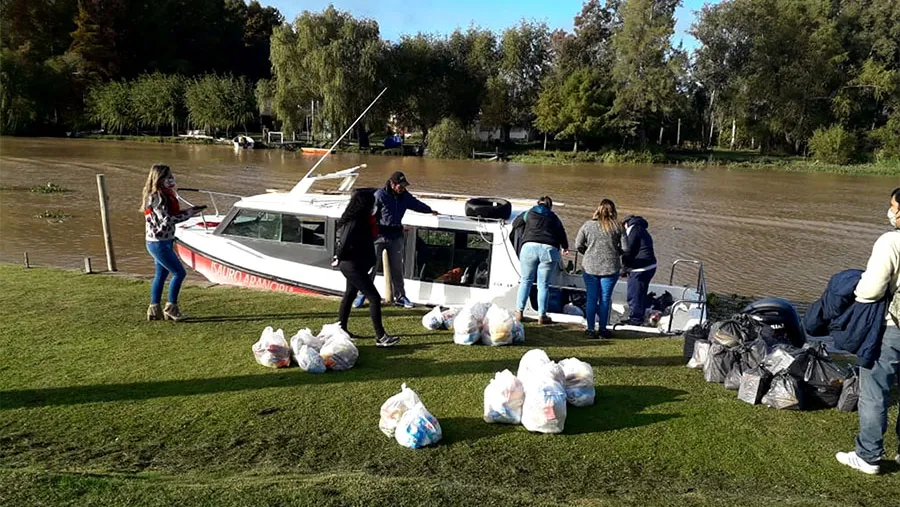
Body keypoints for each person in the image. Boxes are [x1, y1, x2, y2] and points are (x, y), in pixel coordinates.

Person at [836, 187, 900, 475]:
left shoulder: (891, 241)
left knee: (874, 390)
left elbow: (872, 289)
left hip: (894, 327)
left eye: (894, 207)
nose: (891, 212)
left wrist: (856, 291)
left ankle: (868, 455)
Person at [353, 171, 438, 309]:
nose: (403, 188)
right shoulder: (379, 196)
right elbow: (371, 218)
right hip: (378, 237)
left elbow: (416, 204)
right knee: (371, 267)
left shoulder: (404, 196)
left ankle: (400, 297)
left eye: (404, 186)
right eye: (400, 185)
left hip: (396, 238)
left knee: (397, 268)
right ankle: (362, 294)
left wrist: (430, 210)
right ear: (392, 184)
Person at [334, 189, 400, 348]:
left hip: (357, 265)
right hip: (352, 265)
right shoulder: (355, 221)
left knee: (349, 295)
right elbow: (343, 242)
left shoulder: (363, 219)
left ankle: (341, 329)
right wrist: (338, 257)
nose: (374, 205)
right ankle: (381, 337)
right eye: (372, 202)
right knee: (374, 298)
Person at [142, 164, 205, 321]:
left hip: (161, 241)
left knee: (161, 274)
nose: (171, 179)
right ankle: (171, 308)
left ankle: (154, 309)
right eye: (168, 176)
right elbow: (167, 220)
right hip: (159, 242)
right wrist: (188, 215)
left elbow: (168, 216)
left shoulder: (157, 195)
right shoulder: (159, 197)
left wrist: (188, 211)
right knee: (179, 273)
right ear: (160, 178)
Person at [511, 196, 569, 324]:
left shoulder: (529, 213)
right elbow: (561, 234)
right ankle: (542, 316)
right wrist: (565, 247)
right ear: (550, 206)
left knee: (526, 281)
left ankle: (519, 313)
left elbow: (515, 224)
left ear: (538, 204)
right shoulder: (554, 217)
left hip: (529, 248)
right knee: (543, 285)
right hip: (549, 250)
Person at [575, 199, 623, 339]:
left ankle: (590, 329)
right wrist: (615, 252)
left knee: (591, 297)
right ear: (613, 211)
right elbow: (626, 248)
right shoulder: (618, 227)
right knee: (605, 298)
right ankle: (603, 329)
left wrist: (588, 252)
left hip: (590, 267)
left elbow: (578, 244)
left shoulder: (588, 225)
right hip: (610, 267)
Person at [620, 214, 657, 326]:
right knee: (640, 293)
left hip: (640, 268)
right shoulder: (642, 229)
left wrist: (624, 269)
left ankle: (635, 320)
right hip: (650, 265)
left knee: (634, 295)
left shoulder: (633, 229)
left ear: (626, 223)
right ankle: (639, 316)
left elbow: (627, 249)